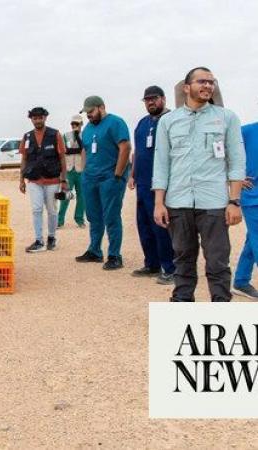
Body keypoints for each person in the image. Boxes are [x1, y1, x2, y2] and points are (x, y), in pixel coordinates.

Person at [153, 67, 245, 302]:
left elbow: (236, 162)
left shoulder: (227, 118)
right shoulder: (168, 122)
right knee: (182, 261)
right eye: (202, 81)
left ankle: (221, 310)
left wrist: (234, 201)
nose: (207, 86)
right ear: (187, 88)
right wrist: (159, 204)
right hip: (178, 201)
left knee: (217, 262)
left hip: (213, 202)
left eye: (211, 82)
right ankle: (182, 310)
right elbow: (161, 164)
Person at [75, 96, 131, 270]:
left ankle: (115, 255)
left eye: (91, 111)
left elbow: (125, 147)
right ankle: (95, 250)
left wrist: (118, 174)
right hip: (90, 178)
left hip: (110, 178)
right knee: (93, 216)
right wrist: (83, 172)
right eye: (86, 113)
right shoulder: (87, 129)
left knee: (111, 216)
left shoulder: (116, 123)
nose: (89, 116)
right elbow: (84, 150)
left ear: (101, 107)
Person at [128, 86, 176, 285]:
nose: (150, 102)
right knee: (144, 224)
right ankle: (152, 263)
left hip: (163, 184)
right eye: (147, 100)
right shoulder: (142, 123)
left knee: (162, 226)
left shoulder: (173, 121)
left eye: (154, 99)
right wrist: (133, 175)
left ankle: (170, 267)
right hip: (142, 183)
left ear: (163, 99)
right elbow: (137, 152)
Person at [19, 107, 67, 252]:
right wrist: (21, 180)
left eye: (40, 117)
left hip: (52, 179)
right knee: (36, 209)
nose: (38, 120)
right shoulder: (27, 137)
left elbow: (62, 158)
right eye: (35, 118)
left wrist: (63, 180)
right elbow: (24, 159)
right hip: (34, 180)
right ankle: (39, 240)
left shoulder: (55, 134)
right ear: (31, 119)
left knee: (52, 210)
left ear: (45, 118)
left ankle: (51, 237)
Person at [232, 109, 258, 299]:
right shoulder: (246, 131)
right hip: (252, 195)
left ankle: (241, 281)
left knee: (252, 240)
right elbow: (222, 150)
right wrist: (233, 177)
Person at [58, 114, 87, 228]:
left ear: (81, 124)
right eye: (72, 124)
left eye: (77, 124)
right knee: (65, 195)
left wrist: (77, 136)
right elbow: (66, 151)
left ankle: (79, 219)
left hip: (81, 170)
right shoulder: (65, 136)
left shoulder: (85, 136)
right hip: (69, 170)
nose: (74, 126)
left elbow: (83, 149)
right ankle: (60, 221)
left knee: (82, 196)